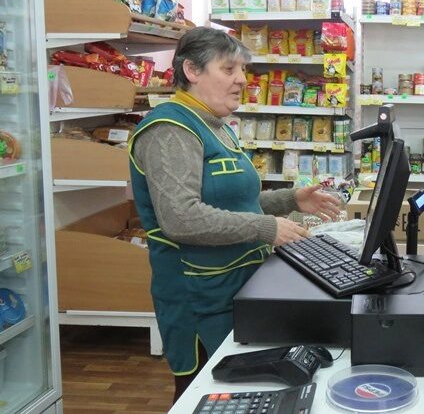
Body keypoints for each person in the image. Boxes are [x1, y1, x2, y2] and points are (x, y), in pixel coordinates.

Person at [128, 27, 341, 402]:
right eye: (229, 69)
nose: (242, 80)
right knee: (203, 394)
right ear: (192, 70)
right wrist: (266, 228)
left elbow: (232, 202)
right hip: (198, 295)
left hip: (235, 286)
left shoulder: (217, 126)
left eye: (243, 70)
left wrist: (291, 199)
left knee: (239, 391)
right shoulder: (170, 130)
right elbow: (182, 218)